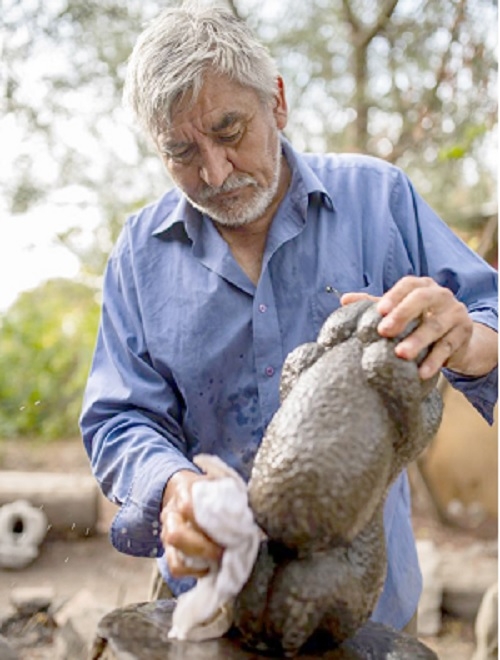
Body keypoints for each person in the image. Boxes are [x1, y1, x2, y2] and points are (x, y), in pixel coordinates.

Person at [80, 1, 498, 636]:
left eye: (229, 131)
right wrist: (171, 488)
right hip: (204, 601)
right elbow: (118, 417)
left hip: (364, 604)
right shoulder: (140, 254)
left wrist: (466, 338)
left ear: (276, 101)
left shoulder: (376, 198)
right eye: (181, 152)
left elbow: (489, 319)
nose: (214, 173)